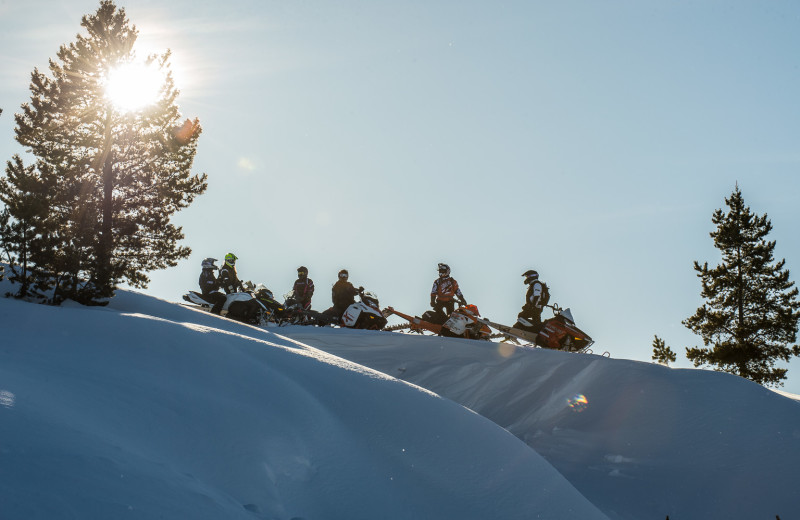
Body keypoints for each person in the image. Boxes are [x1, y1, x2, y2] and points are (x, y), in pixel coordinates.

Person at [515, 269, 549, 333]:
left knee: (521, 316)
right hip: (535, 307)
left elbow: (537, 296)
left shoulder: (536, 284)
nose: (526, 279)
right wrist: (527, 305)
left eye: (527, 277)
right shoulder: (534, 284)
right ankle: (536, 332)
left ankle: (518, 330)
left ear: (531, 276)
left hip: (535, 307)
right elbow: (533, 298)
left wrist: (532, 306)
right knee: (536, 321)